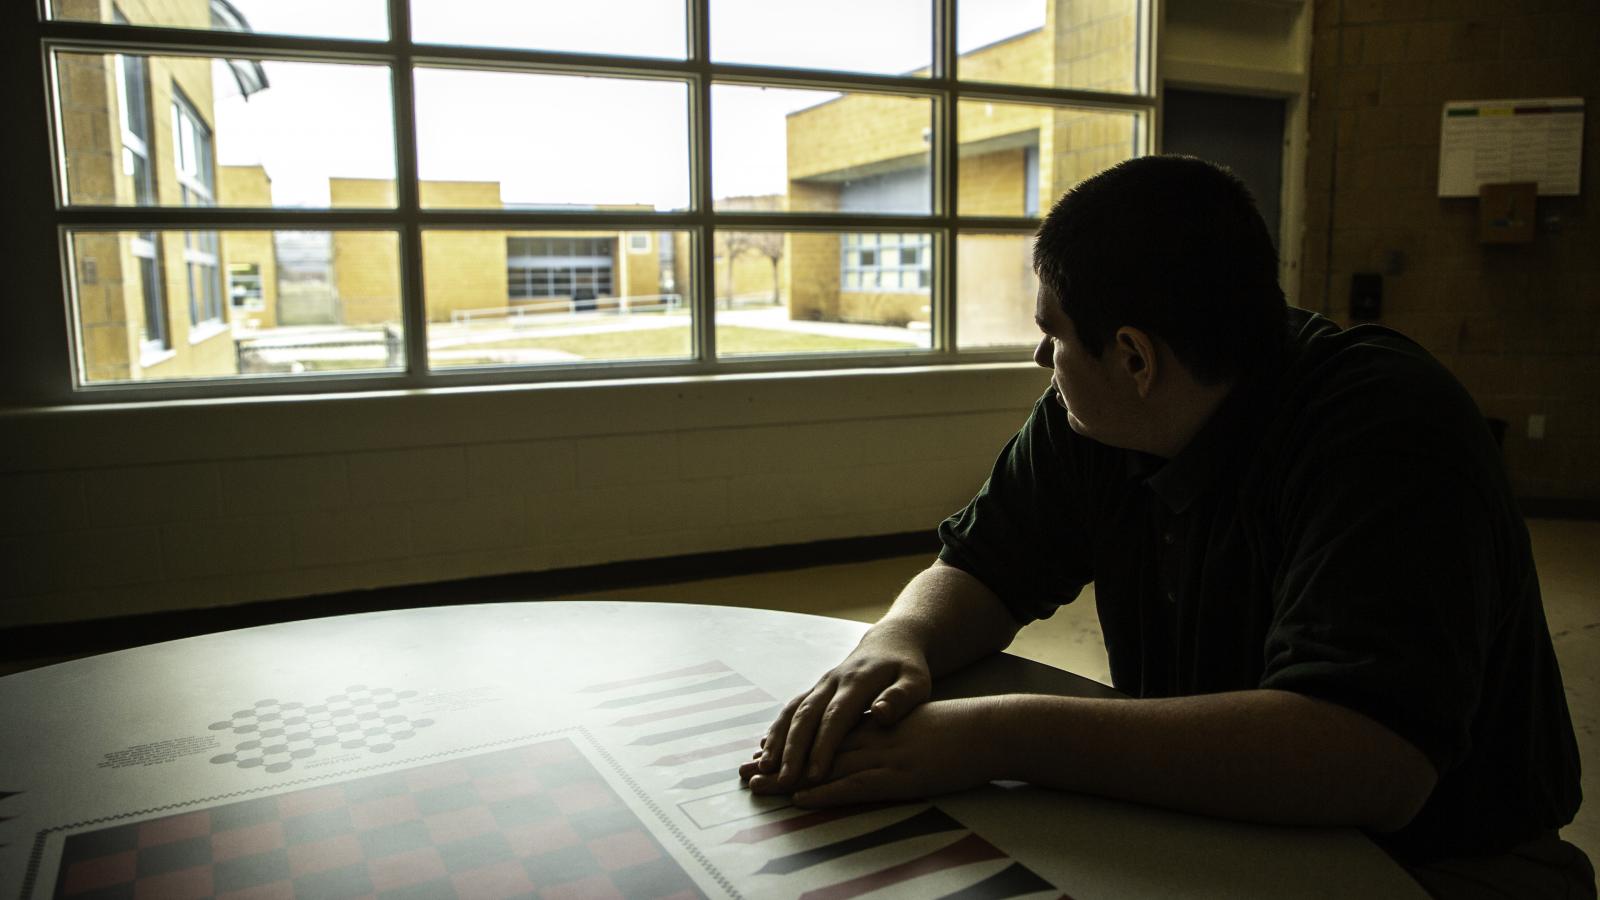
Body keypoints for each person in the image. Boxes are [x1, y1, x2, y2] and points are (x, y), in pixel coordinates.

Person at [738, 155, 1591, 898]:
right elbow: (985, 565)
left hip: (1445, 869)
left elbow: (1368, 760)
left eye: (1052, 334)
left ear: (1135, 358)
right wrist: (903, 639)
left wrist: (996, 734)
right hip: (1220, 827)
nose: (1043, 360)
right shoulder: (1098, 419)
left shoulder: (1387, 429)